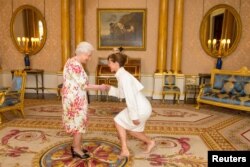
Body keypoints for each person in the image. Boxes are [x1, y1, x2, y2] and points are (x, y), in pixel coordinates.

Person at [61, 42, 107, 159]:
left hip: (73, 97)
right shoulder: (75, 65)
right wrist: (100, 87)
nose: (89, 58)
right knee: (79, 123)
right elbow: (84, 85)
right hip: (75, 100)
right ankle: (76, 149)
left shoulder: (71, 61)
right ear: (82, 53)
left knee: (78, 122)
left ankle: (76, 145)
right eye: (89, 55)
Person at [106, 53, 155, 158]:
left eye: (110, 62)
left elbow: (130, 98)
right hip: (143, 107)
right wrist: (108, 88)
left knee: (118, 120)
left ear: (116, 63)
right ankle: (150, 142)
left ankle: (124, 150)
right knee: (133, 131)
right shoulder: (122, 75)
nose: (108, 65)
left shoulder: (124, 77)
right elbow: (122, 94)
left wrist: (134, 116)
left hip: (140, 108)